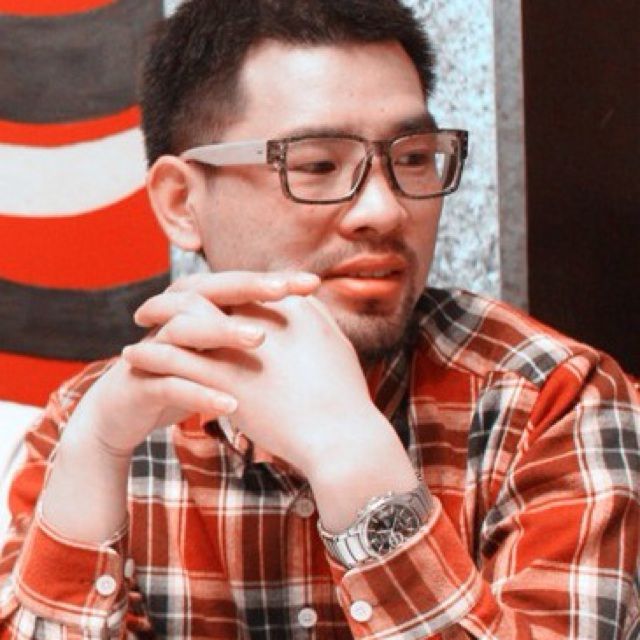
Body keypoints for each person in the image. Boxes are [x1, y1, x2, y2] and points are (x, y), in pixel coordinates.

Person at [0, 0, 638, 637]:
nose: (385, 211)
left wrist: (350, 457)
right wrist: (95, 454)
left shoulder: (556, 403)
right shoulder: (93, 425)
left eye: (413, 157)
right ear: (181, 202)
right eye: (317, 165)